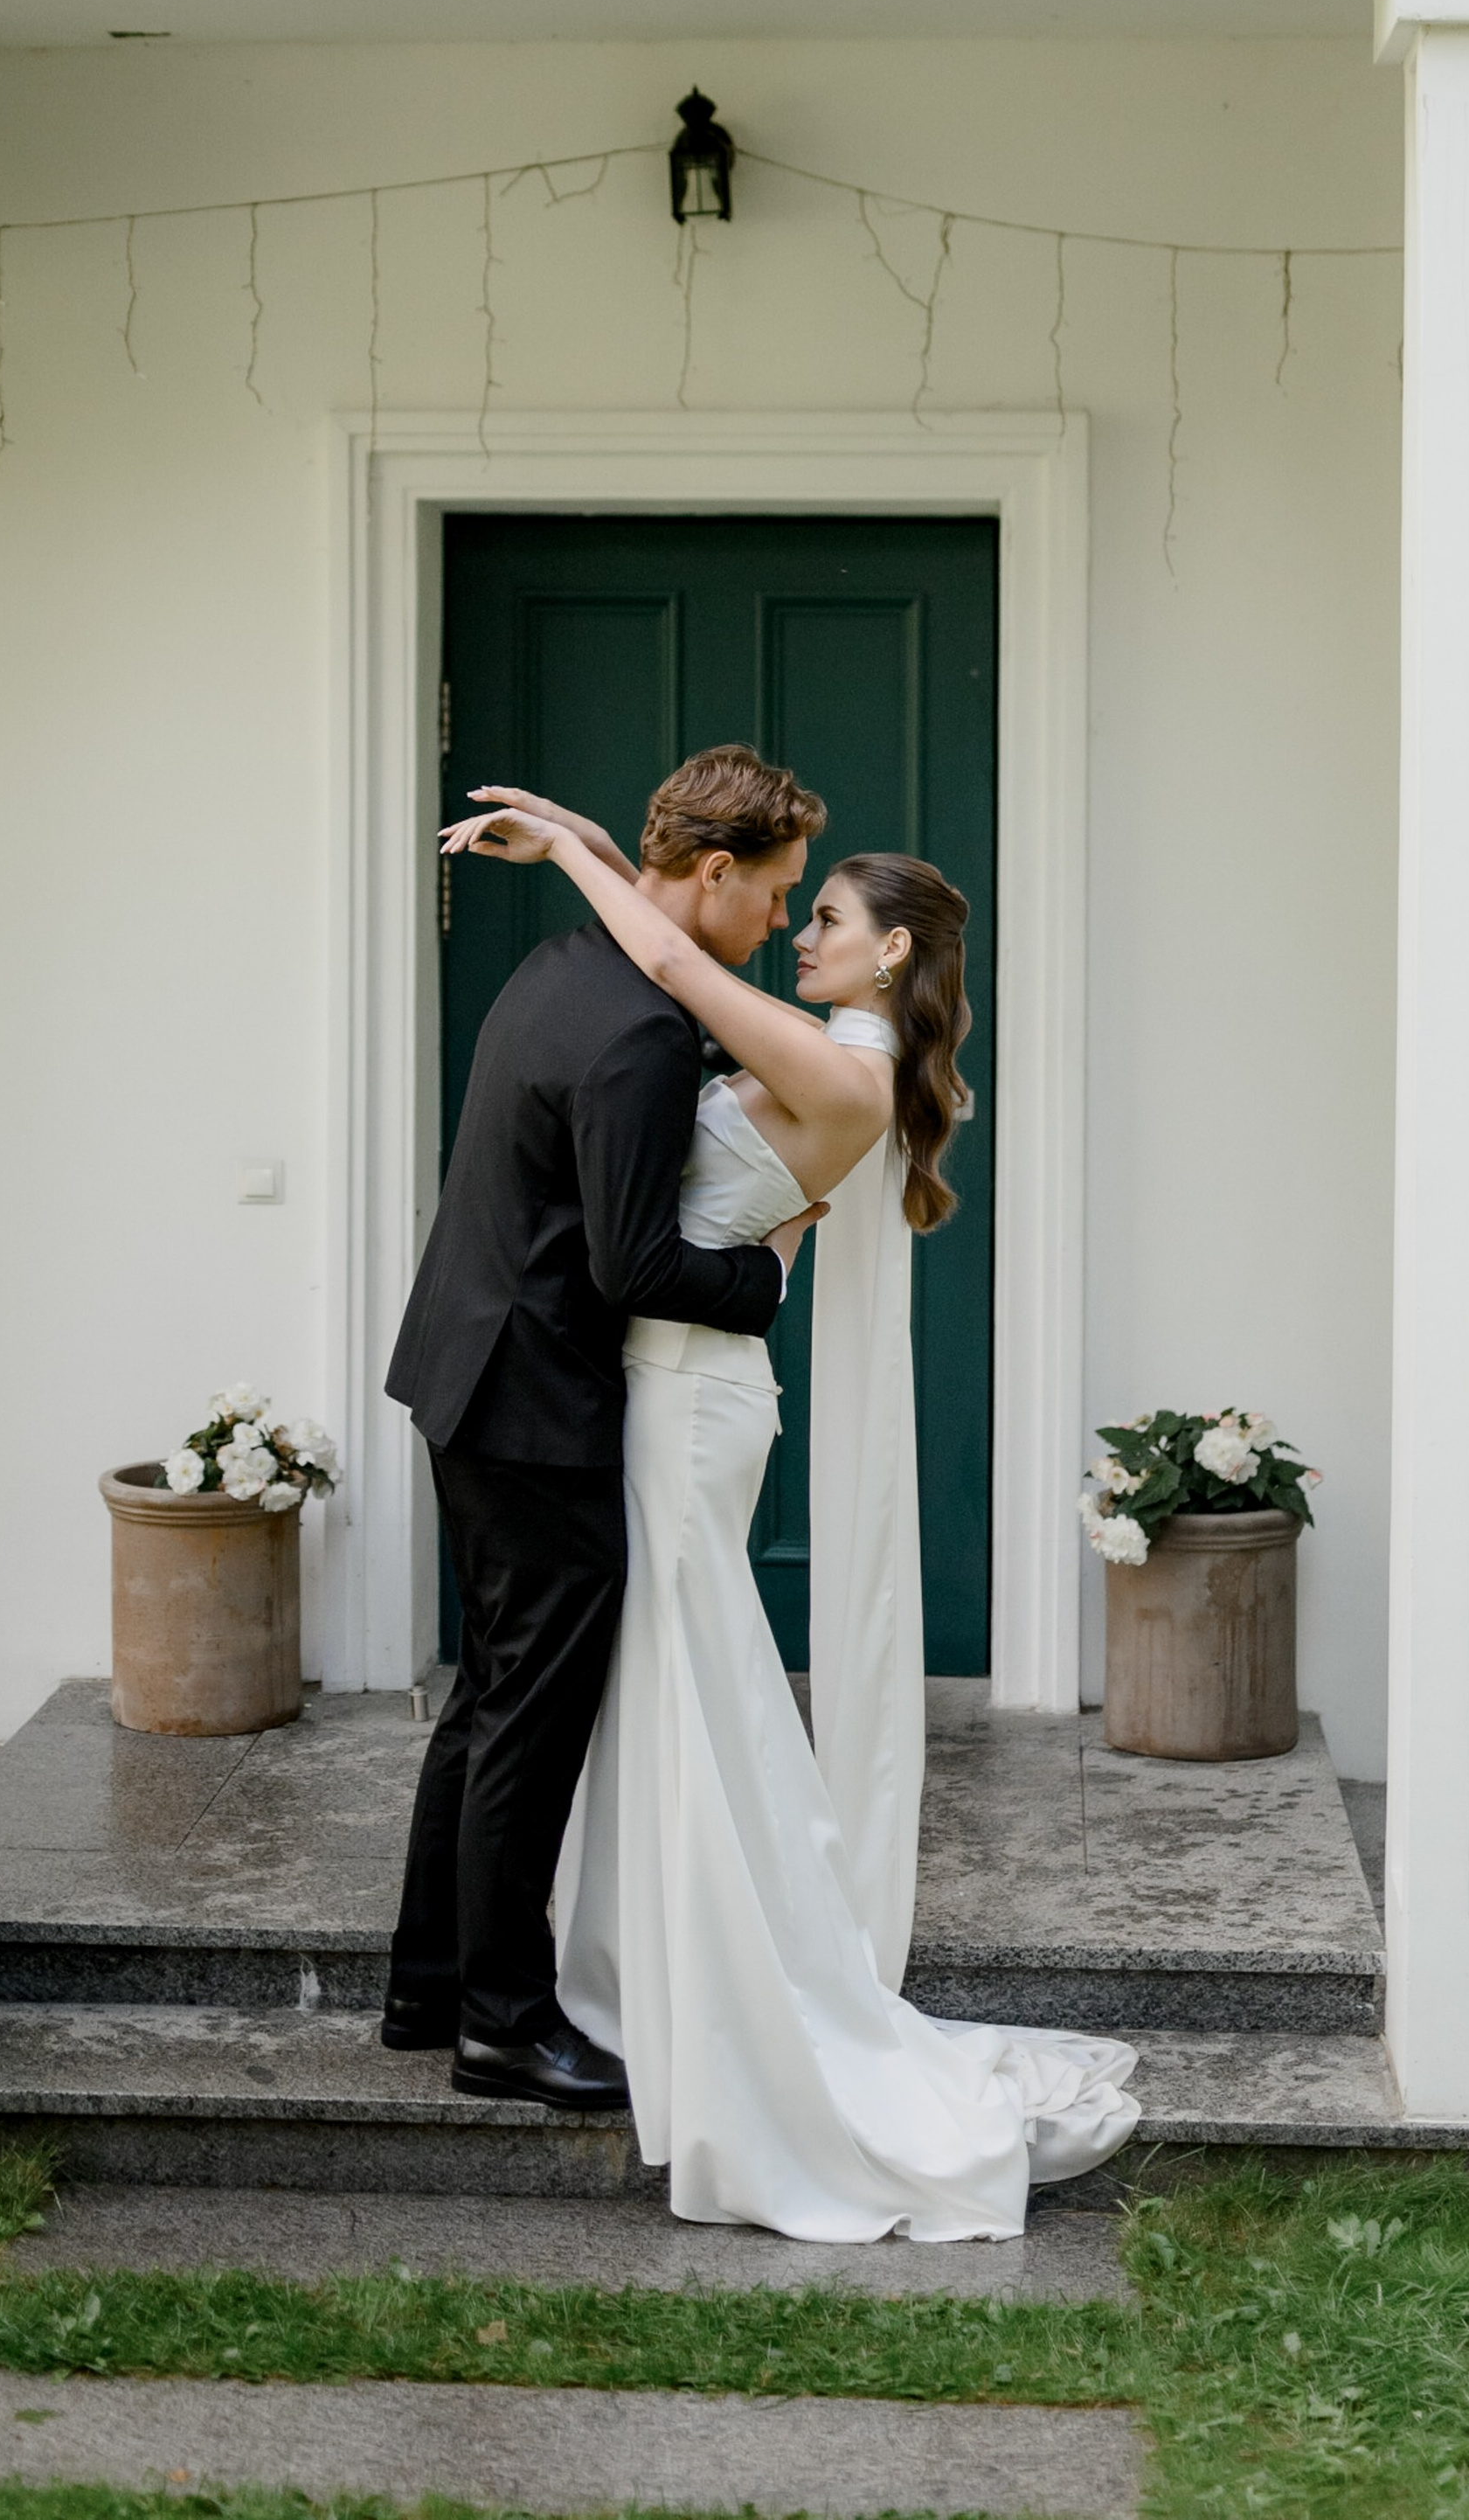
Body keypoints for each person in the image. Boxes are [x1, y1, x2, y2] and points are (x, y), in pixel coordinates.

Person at [440, 781, 1139, 2239]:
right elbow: (679, 935)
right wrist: (593, 838)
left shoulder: (847, 1068)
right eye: (790, 899)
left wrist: (573, 848)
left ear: (891, 954)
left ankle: (709, 1993)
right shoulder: (827, 1046)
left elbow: (678, 961)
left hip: (686, 1403)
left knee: (689, 1691)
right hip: (659, 1393)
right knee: (646, 1688)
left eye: (822, 915)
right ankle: (605, 1974)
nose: (794, 928)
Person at [380, 747, 830, 2112]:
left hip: (465, 1371)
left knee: (490, 1693)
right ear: (712, 873)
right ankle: (505, 2025)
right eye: (774, 894)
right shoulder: (640, 1031)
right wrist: (771, 1269)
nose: (775, 923)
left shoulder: (567, 959)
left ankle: (432, 1983)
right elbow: (635, 1266)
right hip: (536, 1406)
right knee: (531, 1708)